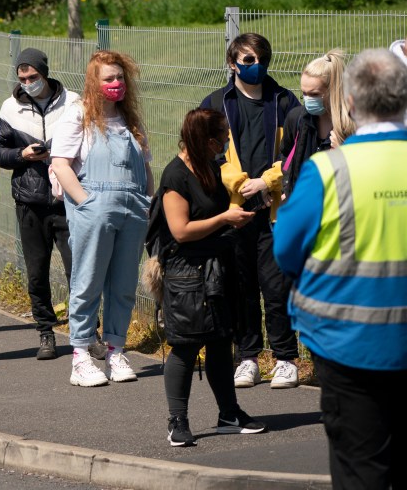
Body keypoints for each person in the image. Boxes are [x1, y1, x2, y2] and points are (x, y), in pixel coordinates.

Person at [273, 48, 407, 489]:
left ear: (348, 101)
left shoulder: (328, 171)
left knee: (359, 472)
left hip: (348, 347)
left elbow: (287, 252)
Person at [154, 108, 266, 447]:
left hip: (218, 269)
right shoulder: (175, 176)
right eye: (223, 138)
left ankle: (228, 415)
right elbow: (181, 230)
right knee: (186, 347)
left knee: (220, 342)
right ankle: (178, 422)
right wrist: (225, 219)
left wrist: (241, 213)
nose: (227, 143)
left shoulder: (213, 168)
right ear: (208, 140)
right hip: (187, 274)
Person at [199, 33, 302, 389]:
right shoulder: (216, 103)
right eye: (247, 60)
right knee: (239, 287)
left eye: (261, 59)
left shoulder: (286, 100)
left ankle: (286, 357)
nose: (255, 66)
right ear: (232, 63)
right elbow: (206, 151)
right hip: (233, 211)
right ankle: (247, 357)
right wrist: (237, 182)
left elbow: (296, 153)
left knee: (277, 287)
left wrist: (267, 182)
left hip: (275, 210)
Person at [51, 50, 153, 387]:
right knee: (88, 281)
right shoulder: (78, 115)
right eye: (109, 78)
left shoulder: (131, 120)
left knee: (123, 285)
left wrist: (147, 201)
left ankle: (115, 350)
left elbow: (146, 167)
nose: (116, 84)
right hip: (94, 207)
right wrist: (85, 202)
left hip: (133, 209)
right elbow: (61, 164)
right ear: (94, 82)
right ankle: (80, 355)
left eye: (120, 78)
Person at [0, 48, 79, 360]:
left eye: (33, 77)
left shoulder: (74, 101)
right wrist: (23, 155)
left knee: (79, 270)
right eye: (22, 78)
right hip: (30, 200)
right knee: (37, 272)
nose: (28, 82)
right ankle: (46, 332)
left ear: (45, 73)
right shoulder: (10, 107)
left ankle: (86, 333)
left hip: (68, 201)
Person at [281, 50, 356, 199]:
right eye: (304, 93)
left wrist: (343, 151)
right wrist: (287, 187)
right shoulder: (296, 118)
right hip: (302, 205)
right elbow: (285, 155)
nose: (308, 99)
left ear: (333, 90)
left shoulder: (353, 124)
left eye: (314, 94)